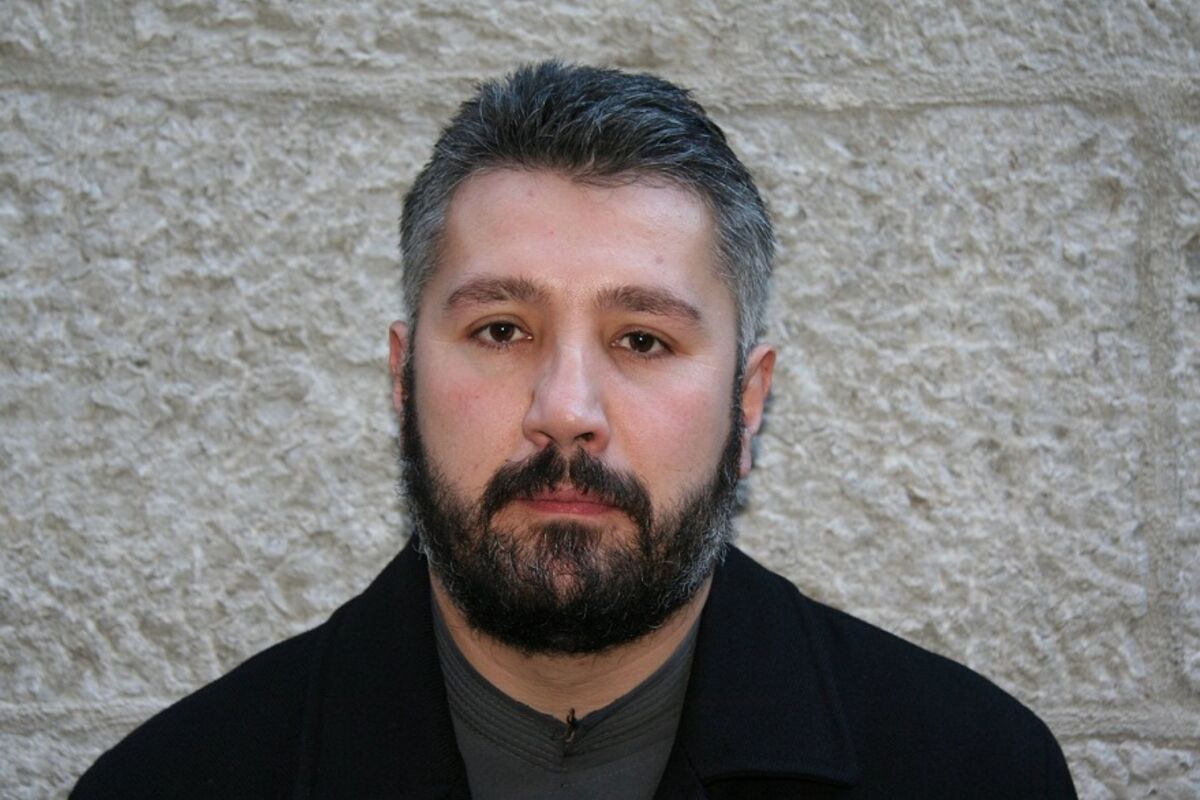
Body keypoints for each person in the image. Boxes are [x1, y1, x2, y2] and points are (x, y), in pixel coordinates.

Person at [73, 61, 1076, 799]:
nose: (565, 409)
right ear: (403, 377)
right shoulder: (169, 783)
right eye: (501, 330)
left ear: (748, 398)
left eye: (642, 339)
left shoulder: (978, 772)